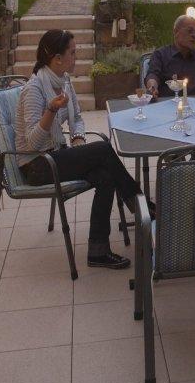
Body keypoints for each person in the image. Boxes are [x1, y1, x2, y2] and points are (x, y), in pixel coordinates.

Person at [16, 30, 143, 269]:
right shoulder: (34, 89)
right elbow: (32, 144)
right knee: (104, 150)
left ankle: (98, 251)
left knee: (105, 177)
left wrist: (77, 139)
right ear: (56, 59)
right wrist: (50, 111)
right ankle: (138, 202)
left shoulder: (64, 82)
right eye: (72, 53)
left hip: (57, 154)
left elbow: (78, 120)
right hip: (36, 165)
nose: (77, 57)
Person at [144, 14, 195, 99]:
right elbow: (152, 75)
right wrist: (152, 87)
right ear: (176, 32)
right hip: (167, 106)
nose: (194, 35)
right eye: (189, 31)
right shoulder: (161, 55)